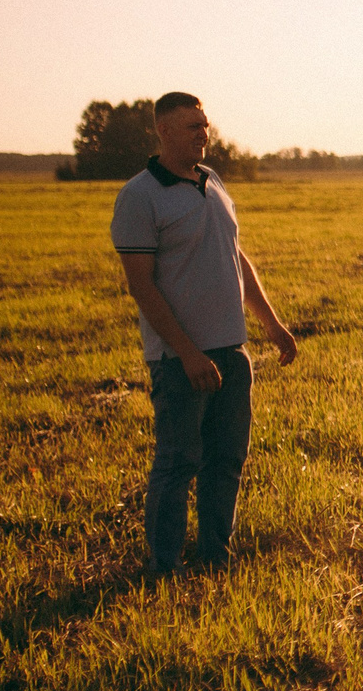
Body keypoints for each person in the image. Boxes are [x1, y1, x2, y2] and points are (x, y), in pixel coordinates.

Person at [111, 92, 298, 572]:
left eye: (205, 124)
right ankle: (164, 568)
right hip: (180, 360)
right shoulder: (139, 196)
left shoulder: (212, 180)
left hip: (233, 351)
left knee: (227, 460)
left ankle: (215, 557)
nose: (203, 133)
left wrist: (271, 323)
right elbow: (141, 285)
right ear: (164, 131)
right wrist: (188, 353)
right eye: (192, 126)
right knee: (178, 463)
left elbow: (236, 256)